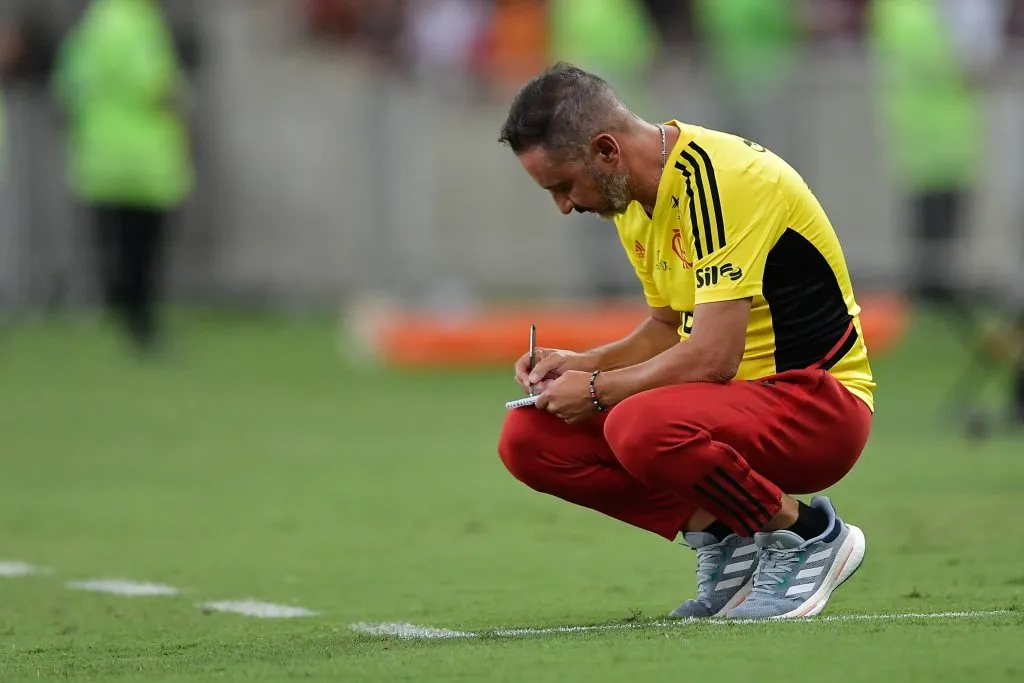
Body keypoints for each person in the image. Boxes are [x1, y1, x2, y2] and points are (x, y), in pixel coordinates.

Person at [496, 63, 875, 620]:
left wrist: (598, 389)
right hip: (727, 410)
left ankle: (812, 535)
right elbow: (668, 328)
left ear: (606, 151)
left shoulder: (723, 180)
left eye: (562, 185)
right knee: (529, 438)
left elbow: (713, 357)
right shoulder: (630, 197)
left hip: (817, 405)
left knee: (639, 424)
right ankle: (729, 535)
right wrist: (579, 364)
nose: (564, 206)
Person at [51, 0, 193, 352]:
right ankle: (141, 324)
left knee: (113, 245)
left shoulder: (91, 24)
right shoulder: (139, 23)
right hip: (143, 157)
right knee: (144, 249)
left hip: (99, 155)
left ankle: (113, 311)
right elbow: (156, 84)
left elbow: (66, 84)